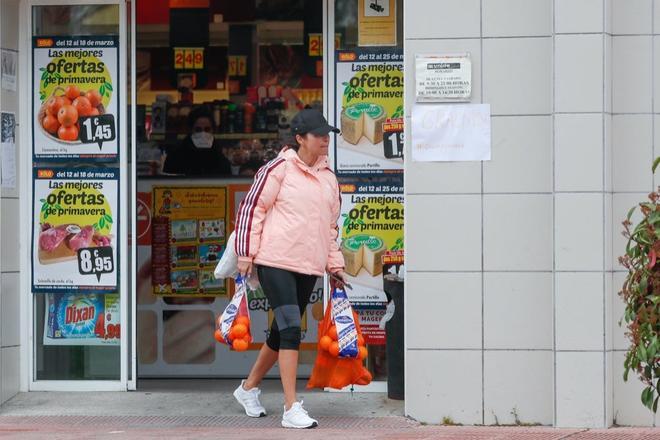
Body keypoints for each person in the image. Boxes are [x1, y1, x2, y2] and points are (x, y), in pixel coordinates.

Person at [232, 109, 347, 429]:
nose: (326, 140)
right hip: (275, 261)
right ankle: (290, 406)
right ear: (299, 138)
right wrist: (246, 253)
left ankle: (248, 388)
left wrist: (335, 265)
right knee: (292, 328)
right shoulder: (278, 169)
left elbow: (331, 228)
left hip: (308, 265)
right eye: (319, 135)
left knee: (281, 331)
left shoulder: (329, 178)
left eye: (328, 135)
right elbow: (252, 209)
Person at [162, 106, 231, 176]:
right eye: (198, 130)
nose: (203, 133)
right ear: (190, 130)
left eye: (207, 129)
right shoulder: (175, 158)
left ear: (213, 130)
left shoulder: (221, 160)